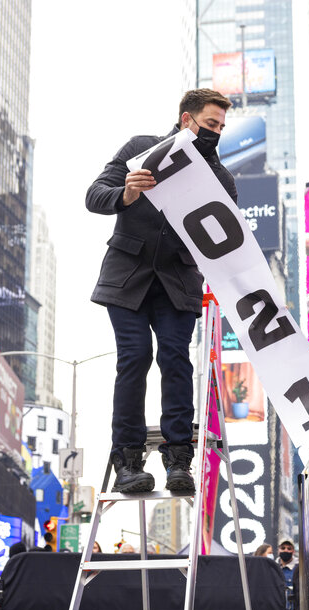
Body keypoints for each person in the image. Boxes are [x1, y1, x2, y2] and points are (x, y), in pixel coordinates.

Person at [86, 88, 237, 494]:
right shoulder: (139, 150)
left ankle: (179, 459)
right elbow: (94, 196)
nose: (216, 132)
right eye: (210, 124)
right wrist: (126, 193)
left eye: (221, 127)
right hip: (127, 276)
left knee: (175, 359)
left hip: (179, 281)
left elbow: (228, 239)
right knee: (134, 357)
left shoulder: (220, 178)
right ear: (187, 119)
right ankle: (128, 460)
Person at [277, 539, 296, 610]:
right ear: (278, 550)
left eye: (289, 548)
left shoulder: (298, 568)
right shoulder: (273, 567)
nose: (286, 550)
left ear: (293, 551)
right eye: (283, 548)